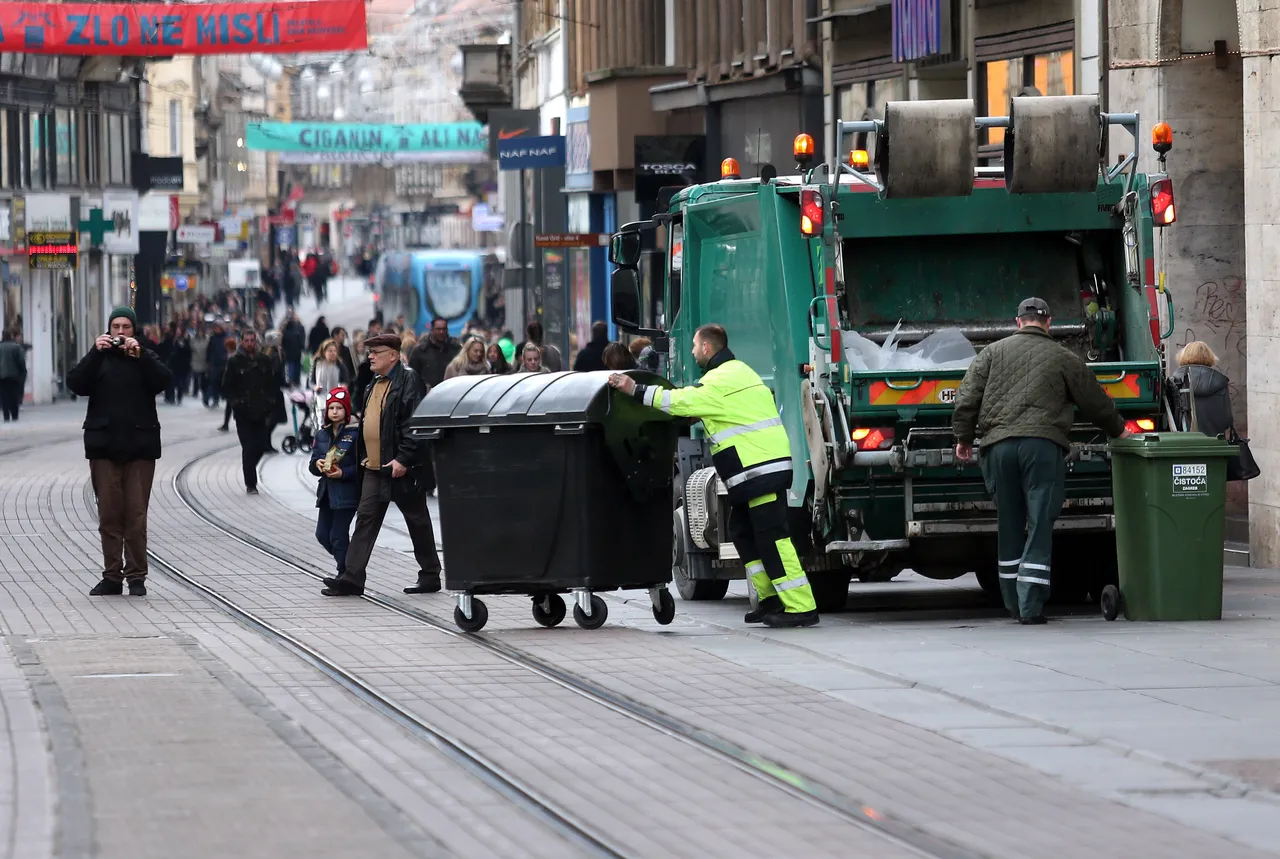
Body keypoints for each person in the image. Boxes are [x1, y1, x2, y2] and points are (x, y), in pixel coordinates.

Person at [608, 323, 819, 628]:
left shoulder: (717, 382)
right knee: (743, 531)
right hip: (760, 468)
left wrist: (634, 389)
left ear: (706, 348)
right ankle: (770, 599)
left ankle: (801, 606)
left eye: (694, 346)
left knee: (773, 539)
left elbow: (677, 401)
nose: (693, 351)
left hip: (759, 470)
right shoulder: (740, 371)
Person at [951, 297, 1129, 625]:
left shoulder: (990, 353)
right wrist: (1119, 430)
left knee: (1008, 522)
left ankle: (1011, 602)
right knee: (1039, 521)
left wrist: (963, 439)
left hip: (998, 448)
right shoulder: (1063, 357)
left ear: (1018, 321)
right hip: (1042, 447)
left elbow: (966, 398)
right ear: (1048, 323)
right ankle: (1030, 605)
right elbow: (1094, 401)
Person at [321, 333, 442, 597]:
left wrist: (403, 459)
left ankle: (431, 574)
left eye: (377, 352)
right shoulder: (372, 384)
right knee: (365, 519)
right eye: (370, 352)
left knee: (417, 521)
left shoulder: (409, 381)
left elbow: (415, 425)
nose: (370, 356)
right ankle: (352, 577)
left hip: (399, 467)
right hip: (374, 467)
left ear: (394, 355)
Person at [67, 307, 172, 597]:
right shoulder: (99, 358)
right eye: (116, 327)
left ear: (134, 330)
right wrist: (94, 352)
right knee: (109, 517)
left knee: (136, 517)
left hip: (139, 448)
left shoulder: (142, 357)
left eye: (126, 326)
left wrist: (141, 355)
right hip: (105, 448)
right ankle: (112, 576)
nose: (121, 332)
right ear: (108, 330)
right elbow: (76, 383)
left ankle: (136, 577)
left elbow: (163, 380)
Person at [222, 330, 285, 495]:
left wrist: (270, 402)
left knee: (260, 447)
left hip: (261, 411)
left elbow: (272, 383)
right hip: (243, 413)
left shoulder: (263, 360)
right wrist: (235, 402)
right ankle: (251, 483)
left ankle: (250, 467)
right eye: (247, 340)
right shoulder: (235, 362)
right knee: (248, 448)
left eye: (252, 340)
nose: (250, 343)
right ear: (241, 342)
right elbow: (227, 386)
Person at [310, 388, 360, 580]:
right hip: (326, 494)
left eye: (339, 408)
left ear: (346, 411)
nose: (335, 411)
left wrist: (343, 473)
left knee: (338, 536)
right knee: (322, 534)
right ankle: (349, 565)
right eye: (331, 408)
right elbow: (313, 463)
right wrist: (317, 464)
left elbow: (360, 467)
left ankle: (345, 574)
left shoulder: (354, 434)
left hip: (346, 493)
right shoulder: (322, 435)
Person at [1171, 341, 1235, 438]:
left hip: (1181, 444)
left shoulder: (1174, 382)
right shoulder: (1220, 382)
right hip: (1214, 442)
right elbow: (1227, 419)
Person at [408, 317, 460, 389]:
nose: (441, 332)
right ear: (432, 330)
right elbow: (412, 376)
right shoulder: (420, 351)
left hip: (451, 391)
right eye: (438, 329)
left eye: (444, 329)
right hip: (427, 394)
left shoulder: (455, 349)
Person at [0, 328, 26, 421]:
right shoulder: (16, 347)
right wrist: (22, 373)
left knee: (4, 397)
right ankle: (15, 415)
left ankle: (6, 416)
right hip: (14, 377)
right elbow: (21, 363)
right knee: (14, 396)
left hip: (2, 377)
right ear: (10, 336)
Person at [281, 310, 307, 388]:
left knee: (293, 365)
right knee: (294, 365)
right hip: (294, 351)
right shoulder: (296, 329)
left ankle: (294, 380)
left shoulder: (288, 330)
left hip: (292, 351)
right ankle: (294, 380)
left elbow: (283, 341)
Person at [217, 337, 237, 431]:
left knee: (232, 406)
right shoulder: (230, 356)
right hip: (232, 385)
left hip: (234, 385)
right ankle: (226, 424)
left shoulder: (233, 357)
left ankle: (226, 424)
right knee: (230, 406)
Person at [190, 325, 210, 403]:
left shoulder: (207, 339)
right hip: (195, 360)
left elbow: (209, 349)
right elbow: (191, 348)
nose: (200, 333)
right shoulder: (193, 339)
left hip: (204, 360)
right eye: (199, 331)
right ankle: (195, 391)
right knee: (195, 377)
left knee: (203, 379)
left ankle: (203, 390)